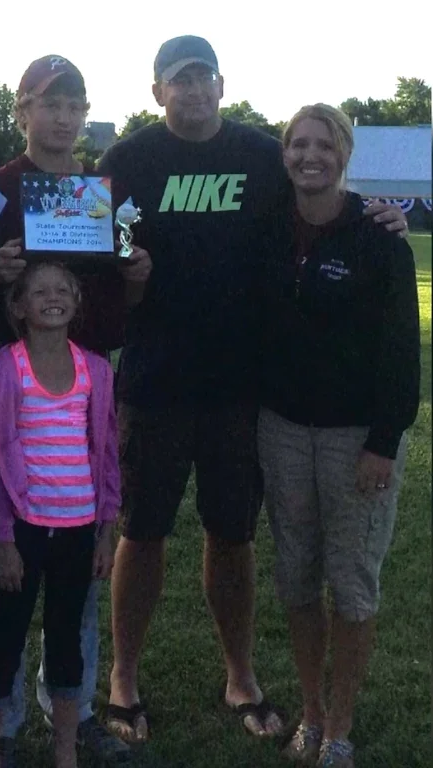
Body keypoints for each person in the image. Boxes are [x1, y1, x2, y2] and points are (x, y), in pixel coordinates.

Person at [96, 35, 409, 743]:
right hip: (154, 382)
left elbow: (317, 189)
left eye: (205, 77)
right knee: (141, 532)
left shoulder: (258, 156)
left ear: (222, 84)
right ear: (158, 92)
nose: (195, 90)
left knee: (231, 533)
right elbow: (91, 250)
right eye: (180, 80)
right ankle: (123, 677)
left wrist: (375, 213)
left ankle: (240, 674)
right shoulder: (128, 160)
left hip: (242, 387)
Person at [0, 55, 150, 766]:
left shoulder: (101, 193)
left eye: (75, 104)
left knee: (74, 595)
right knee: (0, 588)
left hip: (83, 395)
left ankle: (69, 716)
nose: (63, 117)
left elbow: (115, 308)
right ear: (21, 112)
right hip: (10, 398)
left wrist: (138, 278)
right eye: (49, 103)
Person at [256, 104, 420, 768]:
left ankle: (342, 729)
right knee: (296, 577)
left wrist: (384, 439)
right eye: (298, 144)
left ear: (346, 154)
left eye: (324, 144)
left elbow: (402, 352)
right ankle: (312, 713)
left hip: (359, 438)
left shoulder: (380, 238)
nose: (309, 155)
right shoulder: (267, 230)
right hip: (283, 430)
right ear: (285, 153)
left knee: (351, 584)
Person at [0, 261, 120, 768]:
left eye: (63, 291)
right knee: (4, 640)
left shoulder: (95, 370)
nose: (52, 299)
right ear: (18, 306)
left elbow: (107, 456)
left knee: (67, 639)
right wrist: (4, 537)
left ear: (77, 303)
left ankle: (65, 750)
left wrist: (106, 530)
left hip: (79, 528)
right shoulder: (2, 370)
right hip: (25, 529)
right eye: (39, 292)